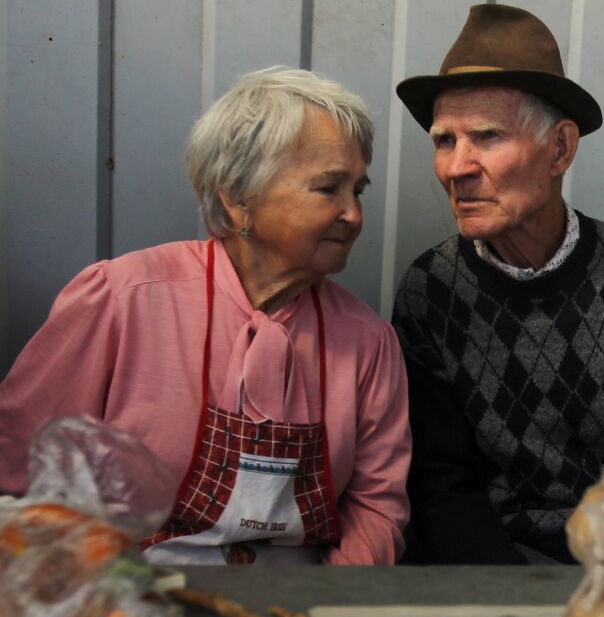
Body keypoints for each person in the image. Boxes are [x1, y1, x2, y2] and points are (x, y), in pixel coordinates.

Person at [0, 68, 411, 565]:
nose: (354, 215)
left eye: (358, 191)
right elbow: (17, 469)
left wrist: (323, 610)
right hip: (127, 596)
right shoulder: (122, 298)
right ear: (238, 200)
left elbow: (376, 508)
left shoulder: (368, 341)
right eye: (329, 189)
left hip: (303, 606)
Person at [392, 4, 604, 565]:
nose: (456, 167)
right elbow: (439, 485)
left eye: (487, 136)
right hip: (487, 567)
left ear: (560, 148)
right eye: (444, 141)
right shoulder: (430, 289)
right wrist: (520, 600)